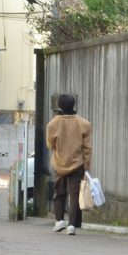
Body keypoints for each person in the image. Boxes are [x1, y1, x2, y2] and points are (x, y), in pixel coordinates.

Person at [45, 94, 92, 235]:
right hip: (77, 163)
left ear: (59, 105)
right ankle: (72, 225)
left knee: (59, 193)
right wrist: (87, 164)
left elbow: (50, 144)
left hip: (59, 163)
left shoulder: (53, 123)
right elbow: (87, 147)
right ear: (73, 104)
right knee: (75, 195)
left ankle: (59, 221)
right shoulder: (84, 123)